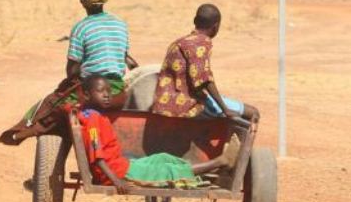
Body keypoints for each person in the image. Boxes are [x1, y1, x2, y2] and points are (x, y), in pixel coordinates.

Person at [0, 0, 138, 146]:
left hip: (92, 89)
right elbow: (126, 58)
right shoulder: (120, 24)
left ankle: (23, 132)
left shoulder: (81, 28)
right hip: (117, 89)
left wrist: (69, 82)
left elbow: (73, 69)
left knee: (51, 104)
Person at [78, 75, 241, 194]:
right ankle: (220, 161)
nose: (107, 95)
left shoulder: (95, 115)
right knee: (166, 171)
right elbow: (97, 158)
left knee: (163, 158)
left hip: (123, 166)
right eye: (101, 91)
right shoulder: (92, 121)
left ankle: (207, 169)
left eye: (109, 91)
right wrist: (116, 181)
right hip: (119, 173)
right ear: (86, 95)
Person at [152, 4, 259, 129]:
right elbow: (204, 80)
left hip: (163, 102)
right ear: (216, 27)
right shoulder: (201, 42)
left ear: (195, 21)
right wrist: (225, 109)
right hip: (186, 104)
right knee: (253, 113)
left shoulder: (179, 42)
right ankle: (241, 149)